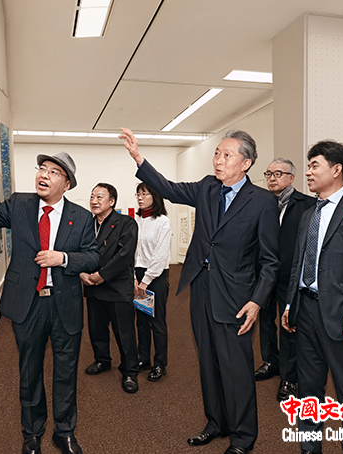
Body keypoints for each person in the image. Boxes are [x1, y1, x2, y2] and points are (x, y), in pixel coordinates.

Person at [120, 127, 279, 454]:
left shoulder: (263, 201)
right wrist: (138, 157)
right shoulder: (207, 187)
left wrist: (257, 301)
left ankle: (243, 437)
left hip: (237, 296)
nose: (218, 160)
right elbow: (168, 188)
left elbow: (270, 260)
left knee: (236, 368)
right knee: (207, 360)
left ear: (245, 163)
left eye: (226, 155)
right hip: (202, 286)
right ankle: (216, 422)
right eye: (217, 153)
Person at [0, 151, 99, 454]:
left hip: (64, 304)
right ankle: (32, 432)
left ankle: (65, 432)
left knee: (66, 371)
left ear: (67, 184)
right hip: (28, 304)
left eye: (54, 172)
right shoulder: (19, 204)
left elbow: (93, 257)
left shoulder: (82, 217)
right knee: (29, 371)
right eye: (42, 168)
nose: (44, 175)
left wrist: (63, 258)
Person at [282, 141, 343, 454]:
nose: (308, 172)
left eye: (315, 165)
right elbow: (299, 263)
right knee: (308, 390)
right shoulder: (308, 214)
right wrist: (290, 303)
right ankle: (309, 448)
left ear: (336, 169)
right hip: (306, 311)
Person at [255, 158, 315, 402]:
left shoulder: (307, 205)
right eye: (268, 173)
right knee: (265, 319)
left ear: (291, 177)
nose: (272, 178)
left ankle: (289, 377)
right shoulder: (260, 202)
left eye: (278, 173)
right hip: (264, 272)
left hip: (290, 275)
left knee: (289, 324)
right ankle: (270, 361)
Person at [81, 183, 140, 393]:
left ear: (112, 201)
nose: (94, 201)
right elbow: (78, 250)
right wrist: (81, 273)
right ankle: (102, 360)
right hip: (92, 286)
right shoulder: (87, 224)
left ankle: (130, 371)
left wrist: (102, 275)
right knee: (96, 329)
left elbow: (124, 256)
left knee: (124, 333)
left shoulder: (126, 223)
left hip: (116, 288)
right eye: (92, 196)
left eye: (99, 197)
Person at [133, 182, 171, 382]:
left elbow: (160, 255)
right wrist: (134, 278)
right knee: (141, 321)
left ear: (154, 197)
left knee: (157, 322)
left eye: (144, 194)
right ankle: (144, 359)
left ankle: (160, 363)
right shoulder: (136, 221)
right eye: (138, 194)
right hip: (137, 275)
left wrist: (145, 281)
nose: (140, 197)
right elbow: (132, 252)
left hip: (155, 276)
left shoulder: (162, 221)